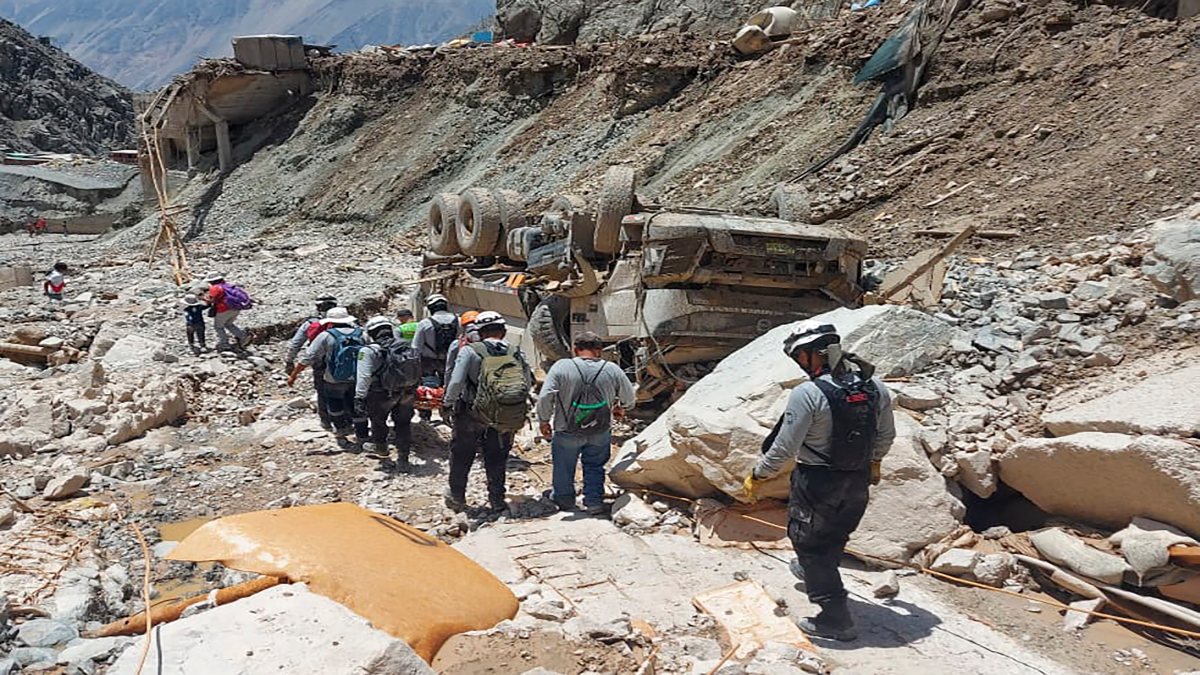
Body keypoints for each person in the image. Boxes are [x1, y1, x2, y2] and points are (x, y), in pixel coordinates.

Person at [742, 321, 896, 642]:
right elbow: (885, 435)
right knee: (836, 531)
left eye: (801, 357)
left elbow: (784, 446)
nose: (800, 365)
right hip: (857, 480)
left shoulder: (808, 393)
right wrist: (876, 461)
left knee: (809, 543)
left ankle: (835, 619)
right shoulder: (874, 387)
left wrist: (759, 475)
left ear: (817, 355)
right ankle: (814, 569)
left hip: (817, 481)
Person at [536, 331, 635, 515]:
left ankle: (564, 501)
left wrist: (543, 420)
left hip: (566, 429)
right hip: (600, 430)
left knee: (564, 466)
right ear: (599, 351)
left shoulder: (561, 367)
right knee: (595, 465)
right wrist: (621, 408)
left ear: (575, 349)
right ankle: (594, 502)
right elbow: (629, 398)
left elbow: (545, 396)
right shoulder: (612, 369)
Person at [442, 311, 532, 514]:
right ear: (504, 331)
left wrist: (447, 404)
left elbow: (456, 381)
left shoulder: (470, 351)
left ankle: (457, 496)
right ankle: (497, 499)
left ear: (480, 332)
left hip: (471, 413)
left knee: (462, 454)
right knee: (497, 456)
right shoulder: (515, 351)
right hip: (502, 413)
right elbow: (526, 382)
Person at [288, 307, 368, 450]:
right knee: (358, 406)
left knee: (335, 405)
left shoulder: (326, 335)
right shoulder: (362, 334)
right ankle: (362, 436)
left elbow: (309, 356)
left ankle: (341, 432)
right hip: (358, 377)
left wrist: (294, 375)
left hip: (333, 378)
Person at [355, 317, 421, 471]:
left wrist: (359, 397)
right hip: (406, 392)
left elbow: (364, 376)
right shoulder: (406, 346)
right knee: (403, 425)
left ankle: (383, 455)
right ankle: (403, 459)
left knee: (379, 423)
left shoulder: (368, 351)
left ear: (371, 333)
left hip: (380, 394)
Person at [412, 294, 460, 421]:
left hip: (428, 362)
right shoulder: (458, 321)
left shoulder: (425, 323)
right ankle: (448, 414)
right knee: (449, 387)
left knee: (427, 390)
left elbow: (416, 347)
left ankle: (425, 417)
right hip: (451, 360)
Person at [204, 273, 250, 352]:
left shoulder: (215, 288)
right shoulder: (228, 286)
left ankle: (224, 343)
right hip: (235, 308)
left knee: (218, 326)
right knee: (228, 324)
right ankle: (243, 337)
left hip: (223, 310)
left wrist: (203, 299)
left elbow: (212, 300)